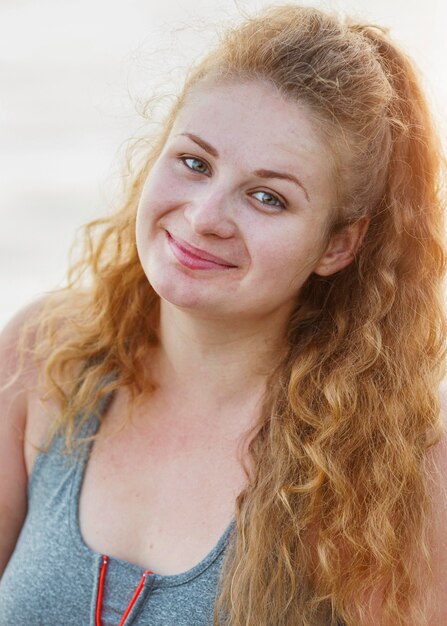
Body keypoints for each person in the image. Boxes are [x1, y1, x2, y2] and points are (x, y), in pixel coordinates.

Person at [0, 4, 446, 625]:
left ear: (338, 245)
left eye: (268, 197)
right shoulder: (41, 355)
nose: (205, 216)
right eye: (195, 163)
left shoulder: (390, 459)